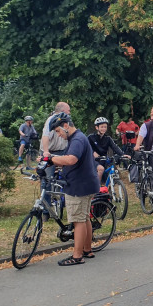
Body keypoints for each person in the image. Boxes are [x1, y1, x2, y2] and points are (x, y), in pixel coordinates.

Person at [45, 112, 99, 266]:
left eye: (58, 131)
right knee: (85, 218)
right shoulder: (79, 138)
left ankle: (77, 256)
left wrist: (51, 159)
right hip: (87, 184)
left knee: (78, 221)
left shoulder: (77, 140)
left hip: (78, 186)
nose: (59, 135)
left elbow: (71, 159)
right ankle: (87, 249)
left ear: (66, 126)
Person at [41, 102, 71, 218]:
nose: (70, 113)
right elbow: (45, 136)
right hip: (50, 150)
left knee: (68, 176)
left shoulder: (67, 120)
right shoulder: (51, 120)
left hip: (62, 150)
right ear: (62, 110)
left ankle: (67, 203)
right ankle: (45, 211)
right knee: (47, 179)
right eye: (68, 110)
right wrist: (46, 151)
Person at [88, 117, 127, 184]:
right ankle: (96, 188)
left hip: (104, 160)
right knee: (101, 170)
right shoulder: (91, 137)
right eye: (102, 127)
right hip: (93, 161)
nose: (104, 129)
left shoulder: (108, 138)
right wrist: (92, 153)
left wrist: (122, 155)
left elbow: (115, 147)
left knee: (106, 176)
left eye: (105, 127)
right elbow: (85, 147)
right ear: (97, 127)